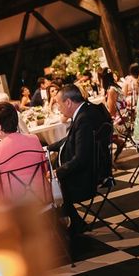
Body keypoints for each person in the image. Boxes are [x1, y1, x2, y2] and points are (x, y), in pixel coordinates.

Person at [48, 85, 113, 236]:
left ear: (68, 102)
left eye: (59, 103)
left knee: (51, 186)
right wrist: (48, 148)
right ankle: (76, 223)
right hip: (98, 167)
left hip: (90, 176)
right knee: (55, 181)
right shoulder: (90, 110)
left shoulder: (84, 119)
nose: (58, 108)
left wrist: (58, 171)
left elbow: (81, 159)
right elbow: (72, 139)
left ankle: (70, 229)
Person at [0, 102, 48, 200]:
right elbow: (44, 169)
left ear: (0, 126)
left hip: (15, 210)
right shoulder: (34, 139)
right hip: (42, 199)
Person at [102, 69, 128, 161]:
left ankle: (105, 159)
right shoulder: (117, 87)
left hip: (122, 122)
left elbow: (112, 112)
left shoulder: (111, 90)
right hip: (126, 117)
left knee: (100, 130)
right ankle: (118, 142)